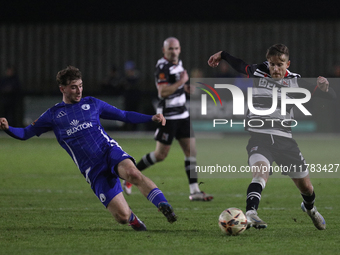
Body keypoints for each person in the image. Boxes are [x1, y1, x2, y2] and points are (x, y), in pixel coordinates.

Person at [0, 65, 177, 231]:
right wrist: (8, 129)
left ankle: (163, 205)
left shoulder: (92, 103)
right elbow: (25, 133)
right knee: (122, 217)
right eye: (73, 87)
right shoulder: (53, 115)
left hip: (109, 151)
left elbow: (124, 115)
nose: (79, 91)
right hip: (93, 169)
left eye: (80, 86)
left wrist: (150, 118)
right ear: (62, 89)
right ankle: (133, 219)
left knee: (134, 174)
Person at [208, 44, 336, 230]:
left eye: (280, 64)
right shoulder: (258, 72)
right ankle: (251, 213)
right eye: (272, 64)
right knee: (260, 174)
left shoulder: (296, 81)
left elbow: (330, 96)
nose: (275, 68)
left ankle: (310, 209)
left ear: (288, 64)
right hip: (260, 139)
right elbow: (239, 64)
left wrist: (325, 89)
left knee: (307, 188)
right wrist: (222, 55)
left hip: (286, 142)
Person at [123, 37, 213, 201]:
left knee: (191, 151)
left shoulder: (178, 64)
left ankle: (195, 191)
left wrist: (184, 88)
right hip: (169, 117)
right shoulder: (162, 67)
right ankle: (130, 176)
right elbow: (162, 92)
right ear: (164, 51)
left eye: (176, 48)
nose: (174, 51)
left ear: (180, 49)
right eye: (170, 49)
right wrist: (182, 81)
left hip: (183, 115)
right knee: (160, 155)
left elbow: (175, 87)